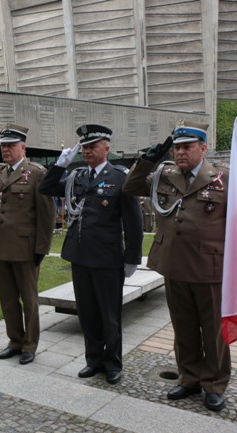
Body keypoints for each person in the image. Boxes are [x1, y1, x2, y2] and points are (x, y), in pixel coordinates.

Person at [122, 120, 230, 411]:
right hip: (174, 265)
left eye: (187, 147)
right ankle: (189, 378)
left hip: (210, 267)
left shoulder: (224, 177)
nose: (180, 152)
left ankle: (214, 384)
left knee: (213, 331)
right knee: (183, 329)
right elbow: (130, 187)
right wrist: (148, 160)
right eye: (177, 147)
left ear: (203, 148)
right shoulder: (165, 175)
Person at [39, 124, 143, 385]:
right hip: (80, 255)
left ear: (106, 148)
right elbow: (46, 188)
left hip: (107, 258)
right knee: (87, 313)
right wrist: (60, 165)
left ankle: (113, 363)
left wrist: (132, 257)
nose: (86, 151)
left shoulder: (120, 177)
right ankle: (93, 360)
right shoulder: (76, 176)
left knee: (110, 314)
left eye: (92, 146)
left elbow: (133, 222)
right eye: (83, 147)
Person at [0, 123, 55, 365]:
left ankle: (29, 344)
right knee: (7, 299)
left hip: (25, 248)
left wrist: (42, 249)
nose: (5, 150)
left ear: (22, 147)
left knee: (29, 299)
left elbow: (47, 216)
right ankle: (14, 341)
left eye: (10, 145)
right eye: (3, 146)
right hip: (0, 245)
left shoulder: (36, 173)